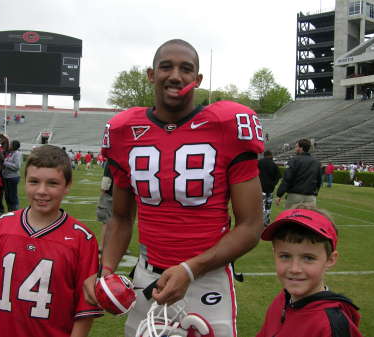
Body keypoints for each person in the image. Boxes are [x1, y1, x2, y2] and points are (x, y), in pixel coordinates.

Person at [83, 39, 264, 337]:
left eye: (186, 69)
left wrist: (191, 269)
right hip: (147, 277)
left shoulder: (227, 124)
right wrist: (106, 271)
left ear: (198, 80)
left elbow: (251, 225)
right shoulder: (124, 131)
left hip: (207, 278)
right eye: (166, 67)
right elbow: (120, 217)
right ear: (151, 75)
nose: (176, 76)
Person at [0, 145, 102, 337]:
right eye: (34, 181)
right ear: (25, 182)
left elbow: (84, 313)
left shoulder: (82, 239)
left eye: (52, 183)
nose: (42, 191)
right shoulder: (3, 226)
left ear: (67, 185)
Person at [256, 206, 364, 337]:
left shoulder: (330, 326)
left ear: (330, 259)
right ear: (275, 254)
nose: (294, 269)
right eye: (285, 256)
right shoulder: (283, 299)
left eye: (308, 258)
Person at [275, 139, 322, 209]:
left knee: (290, 218)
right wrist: (315, 193)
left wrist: (279, 194)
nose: (295, 149)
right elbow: (319, 181)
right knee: (306, 219)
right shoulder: (317, 162)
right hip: (310, 197)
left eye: (296, 147)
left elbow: (287, 179)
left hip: (295, 195)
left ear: (301, 148)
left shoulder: (294, 160)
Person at [258, 150, 281, 226]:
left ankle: (260, 221)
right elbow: (278, 176)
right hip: (270, 189)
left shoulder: (259, 163)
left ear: (264, 155)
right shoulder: (274, 164)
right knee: (268, 206)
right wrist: (273, 184)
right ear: (271, 155)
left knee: (261, 205)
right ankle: (266, 221)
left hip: (260, 188)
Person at [2, 140, 22, 211]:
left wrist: (4, 163)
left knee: (12, 197)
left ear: (14, 146)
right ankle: (10, 212)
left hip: (12, 177)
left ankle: (15, 212)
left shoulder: (17, 153)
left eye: (10, 144)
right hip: (6, 177)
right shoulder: (10, 153)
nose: (9, 145)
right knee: (7, 197)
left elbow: (17, 166)